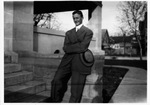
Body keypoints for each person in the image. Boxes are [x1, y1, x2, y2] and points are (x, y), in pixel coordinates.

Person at [48, 10, 93, 103]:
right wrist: (78, 46)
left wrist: (72, 47)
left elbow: (83, 47)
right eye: (74, 18)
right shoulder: (68, 33)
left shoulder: (88, 32)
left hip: (80, 61)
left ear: (82, 17)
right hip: (67, 60)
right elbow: (65, 48)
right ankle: (55, 101)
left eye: (77, 18)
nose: (75, 20)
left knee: (76, 90)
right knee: (56, 80)